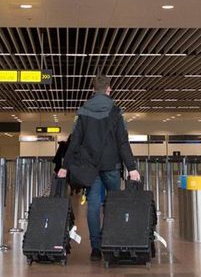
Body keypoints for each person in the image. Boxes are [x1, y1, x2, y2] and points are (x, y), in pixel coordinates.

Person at [57, 74, 139, 262]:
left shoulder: (83, 111)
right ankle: (108, 240)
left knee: (93, 206)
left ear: (93, 90)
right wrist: (131, 167)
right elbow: (122, 142)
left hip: (91, 167)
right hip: (112, 166)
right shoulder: (116, 112)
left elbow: (74, 141)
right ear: (109, 89)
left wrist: (65, 166)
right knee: (114, 204)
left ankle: (95, 248)